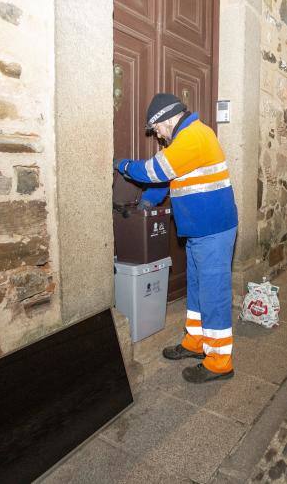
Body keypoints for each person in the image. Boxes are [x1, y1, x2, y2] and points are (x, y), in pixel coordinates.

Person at [114, 93, 238, 383]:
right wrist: (147, 201)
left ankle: (219, 361)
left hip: (214, 230)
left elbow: (155, 170)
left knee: (214, 293)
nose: (156, 135)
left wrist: (122, 165)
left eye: (156, 128)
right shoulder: (183, 141)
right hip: (200, 231)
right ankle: (196, 342)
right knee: (197, 289)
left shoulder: (194, 136)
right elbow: (171, 179)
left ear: (167, 119)